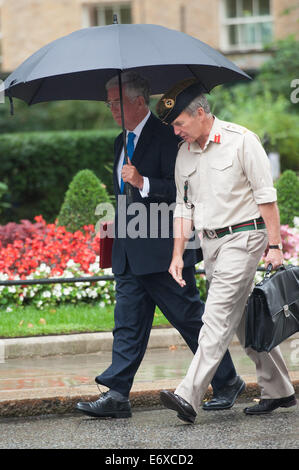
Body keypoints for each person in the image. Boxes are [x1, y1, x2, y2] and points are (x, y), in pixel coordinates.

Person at [76, 72, 242, 419]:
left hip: (165, 250)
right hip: (129, 249)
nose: (111, 110)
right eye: (108, 103)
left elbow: (183, 191)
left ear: (140, 101)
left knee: (190, 320)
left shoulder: (170, 136)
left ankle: (228, 381)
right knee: (127, 323)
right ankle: (117, 394)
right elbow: (129, 196)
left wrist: (143, 181)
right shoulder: (119, 141)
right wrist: (119, 217)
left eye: (116, 102)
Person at [156, 78, 296, 424]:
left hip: (245, 238)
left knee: (216, 316)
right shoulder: (183, 154)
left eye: (179, 123)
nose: (176, 131)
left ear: (201, 113)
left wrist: (275, 246)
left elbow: (266, 198)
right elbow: (183, 208)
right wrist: (177, 255)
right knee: (245, 322)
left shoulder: (242, 141)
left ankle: (188, 394)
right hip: (210, 244)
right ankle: (280, 390)